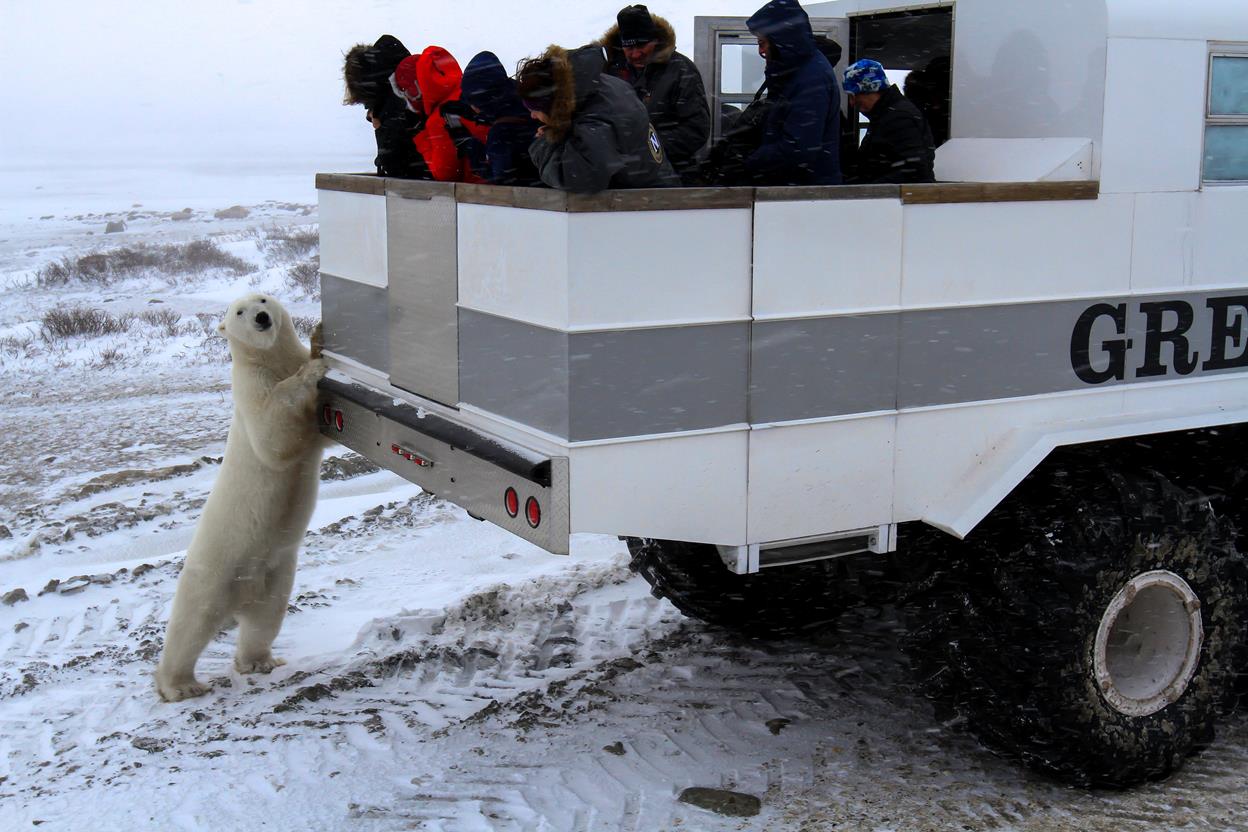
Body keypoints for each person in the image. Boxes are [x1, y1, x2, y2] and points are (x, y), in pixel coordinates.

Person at [515, 44, 679, 193]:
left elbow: (582, 178)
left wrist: (545, 144)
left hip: (653, 208)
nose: (533, 116)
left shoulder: (595, 119)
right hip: (660, 195)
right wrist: (563, 131)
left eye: (535, 110)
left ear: (552, 107)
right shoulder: (598, 87)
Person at [701, 33, 842, 186]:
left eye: (763, 45)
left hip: (787, 190)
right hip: (785, 188)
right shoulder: (790, 94)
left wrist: (745, 163)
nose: (762, 53)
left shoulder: (806, 91)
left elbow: (795, 148)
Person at [599, 5, 710, 183]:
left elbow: (696, 129)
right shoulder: (607, 71)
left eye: (642, 45)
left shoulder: (681, 70)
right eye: (628, 47)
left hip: (672, 176)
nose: (635, 54)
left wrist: (647, 149)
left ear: (655, 41)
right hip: (618, 179)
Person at [741, 0, 842, 186]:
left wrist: (748, 162)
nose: (760, 51)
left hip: (804, 193)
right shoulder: (795, 70)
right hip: (796, 188)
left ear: (781, 41)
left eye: (763, 43)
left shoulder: (811, 78)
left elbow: (798, 149)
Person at [392, 46, 490, 183]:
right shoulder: (465, 94)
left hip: (480, 196)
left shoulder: (440, 117)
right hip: (505, 185)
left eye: (406, 93)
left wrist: (421, 137)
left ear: (417, 89)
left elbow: (445, 174)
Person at [341, 35, 427, 178]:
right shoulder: (405, 86)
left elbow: (394, 166)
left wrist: (379, 128)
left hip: (425, 182)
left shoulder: (392, 102)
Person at [843, 58, 936, 184]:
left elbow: (915, 170)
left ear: (869, 89)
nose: (852, 103)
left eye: (853, 96)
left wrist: (868, 190)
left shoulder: (899, 118)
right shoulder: (887, 115)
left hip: (896, 199)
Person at [458, 52, 542, 186]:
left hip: (530, 202)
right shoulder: (525, 101)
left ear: (484, 101)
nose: (472, 107)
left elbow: (501, 179)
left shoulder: (501, 133)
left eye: (472, 102)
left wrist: (474, 152)